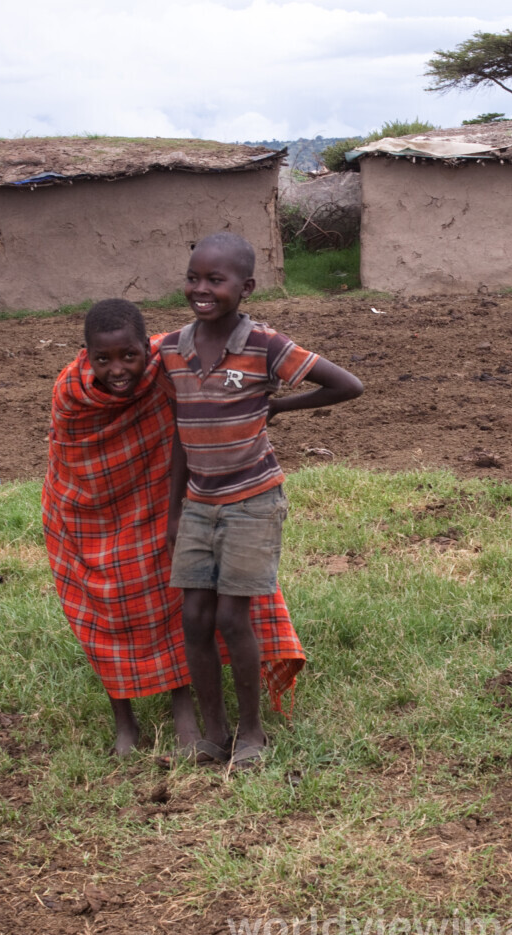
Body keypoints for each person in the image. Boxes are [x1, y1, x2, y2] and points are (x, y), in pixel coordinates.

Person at [43, 298, 305, 761]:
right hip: (87, 513)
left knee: (172, 598)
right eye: (102, 359)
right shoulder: (71, 392)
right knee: (106, 610)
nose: (118, 369)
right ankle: (123, 718)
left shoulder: (167, 366)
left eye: (129, 356)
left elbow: (217, 344)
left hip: (163, 503)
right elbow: (68, 459)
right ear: (86, 356)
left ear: (145, 348)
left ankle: (184, 702)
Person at [164, 233, 363, 771]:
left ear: (246, 287)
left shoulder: (265, 346)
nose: (201, 289)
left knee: (232, 617)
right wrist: (175, 509)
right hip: (199, 503)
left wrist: (279, 407)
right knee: (194, 615)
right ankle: (214, 732)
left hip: (253, 500)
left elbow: (348, 385)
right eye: (193, 278)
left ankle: (251, 732)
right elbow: (181, 433)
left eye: (216, 280)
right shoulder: (171, 349)